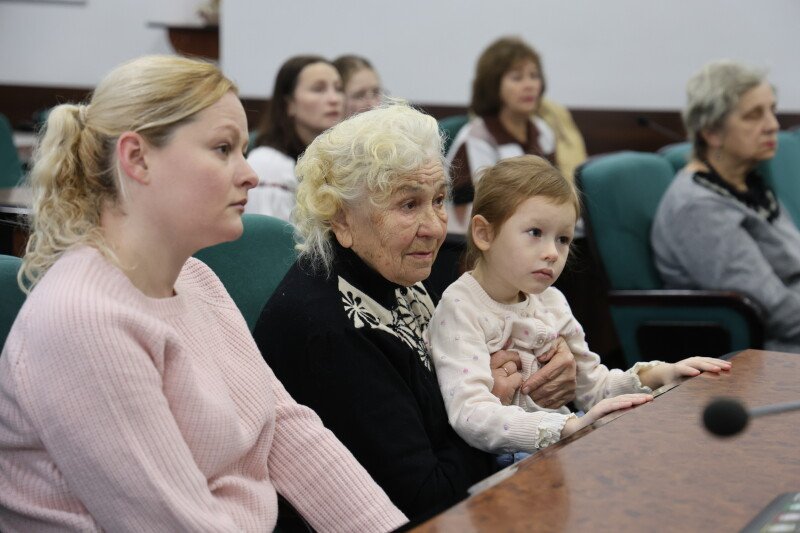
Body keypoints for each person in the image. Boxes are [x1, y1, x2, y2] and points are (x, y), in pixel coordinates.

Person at [0, 55, 407, 532]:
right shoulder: (84, 320)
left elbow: (286, 430)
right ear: (137, 159)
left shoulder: (195, 277)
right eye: (222, 148)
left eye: (242, 150)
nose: (249, 173)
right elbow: (173, 524)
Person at [252, 103, 579, 522]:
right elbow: (427, 501)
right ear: (342, 219)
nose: (435, 227)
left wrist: (547, 362)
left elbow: (465, 364)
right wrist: (495, 400)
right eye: (408, 205)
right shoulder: (331, 329)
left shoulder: (393, 272)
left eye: (438, 200)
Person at [429, 155, 732, 457]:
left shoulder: (551, 301)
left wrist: (662, 375)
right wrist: (567, 427)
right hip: (506, 457)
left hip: (561, 441)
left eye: (563, 239)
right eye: (535, 233)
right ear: (484, 234)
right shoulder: (461, 307)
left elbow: (593, 387)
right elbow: (470, 413)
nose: (552, 253)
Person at [652, 60, 800, 354]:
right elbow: (773, 311)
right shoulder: (698, 208)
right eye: (753, 116)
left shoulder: (747, 182)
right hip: (772, 351)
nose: (772, 125)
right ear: (712, 132)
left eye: (771, 110)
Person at [445, 36, 587, 234]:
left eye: (534, 76)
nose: (529, 85)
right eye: (517, 78)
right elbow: (488, 205)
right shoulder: (478, 137)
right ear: (494, 85)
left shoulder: (542, 130)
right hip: (473, 236)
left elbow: (552, 189)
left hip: (530, 229)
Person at [245, 55, 343, 221]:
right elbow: (267, 233)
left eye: (339, 89)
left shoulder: (337, 159)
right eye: (318, 89)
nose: (334, 99)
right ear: (289, 104)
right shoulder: (268, 164)